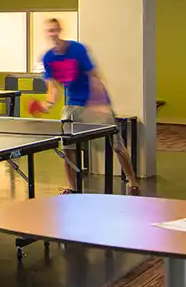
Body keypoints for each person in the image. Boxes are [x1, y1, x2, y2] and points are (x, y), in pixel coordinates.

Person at [29, 19, 141, 196]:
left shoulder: (77, 49)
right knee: (68, 148)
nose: (53, 33)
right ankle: (72, 187)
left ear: (60, 30)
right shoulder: (48, 58)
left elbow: (94, 77)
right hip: (72, 104)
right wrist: (46, 105)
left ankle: (132, 181)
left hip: (95, 101)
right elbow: (53, 89)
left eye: (55, 29)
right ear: (47, 33)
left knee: (117, 145)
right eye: (49, 30)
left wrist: (99, 103)